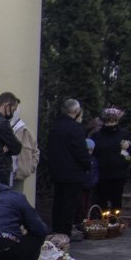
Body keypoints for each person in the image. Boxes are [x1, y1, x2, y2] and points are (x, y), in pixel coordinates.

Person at [47, 99, 91, 238]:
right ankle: (64, 234)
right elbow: (80, 151)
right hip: (73, 172)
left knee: (58, 202)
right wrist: (87, 164)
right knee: (69, 205)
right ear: (76, 112)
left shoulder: (55, 126)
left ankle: (56, 230)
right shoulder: (75, 128)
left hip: (57, 171)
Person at [90, 107, 131, 212]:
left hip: (119, 173)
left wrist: (128, 147)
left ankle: (114, 222)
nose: (111, 122)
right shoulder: (97, 135)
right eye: (108, 119)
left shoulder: (124, 134)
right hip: (103, 173)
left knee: (116, 200)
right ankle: (104, 222)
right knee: (103, 200)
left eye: (113, 119)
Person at [10, 103, 40, 193]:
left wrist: (30, 167)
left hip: (18, 176)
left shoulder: (26, 131)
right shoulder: (1, 127)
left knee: (16, 201)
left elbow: (35, 151)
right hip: (3, 175)